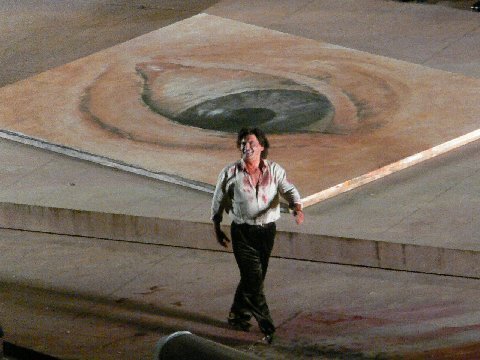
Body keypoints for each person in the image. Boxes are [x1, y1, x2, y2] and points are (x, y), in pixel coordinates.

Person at [211, 127, 304, 344]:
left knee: (254, 277)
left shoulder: (274, 171)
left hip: (266, 232)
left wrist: (297, 208)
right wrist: (216, 226)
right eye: (243, 143)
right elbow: (217, 200)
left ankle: (237, 314)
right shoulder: (230, 173)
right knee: (254, 280)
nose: (247, 147)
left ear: (261, 146)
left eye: (251, 143)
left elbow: (289, 190)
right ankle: (268, 327)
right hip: (242, 232)